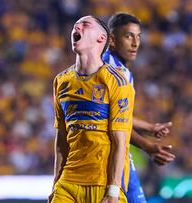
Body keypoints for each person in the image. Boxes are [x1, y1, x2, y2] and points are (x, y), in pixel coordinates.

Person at [49, 15, 135, 203]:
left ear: (101, 38)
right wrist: (55, 185)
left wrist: (113, 189)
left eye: (84, 25)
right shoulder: (61, 81)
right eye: (75, 26)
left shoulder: (117, 82)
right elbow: (61, 138)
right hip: (68, 183)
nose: (76, 28)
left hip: (102, 182)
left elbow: (120, 141)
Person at [103, 12, 175, 203]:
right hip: (106, 155)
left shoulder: (123, 70)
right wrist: (148, 147)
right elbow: (114, 123)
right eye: (128, 36)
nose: (135, 43)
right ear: (112, 40)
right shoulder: (108, 71)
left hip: (120, 153)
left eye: (138, 37)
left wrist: (150, 128)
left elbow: (120, 116)